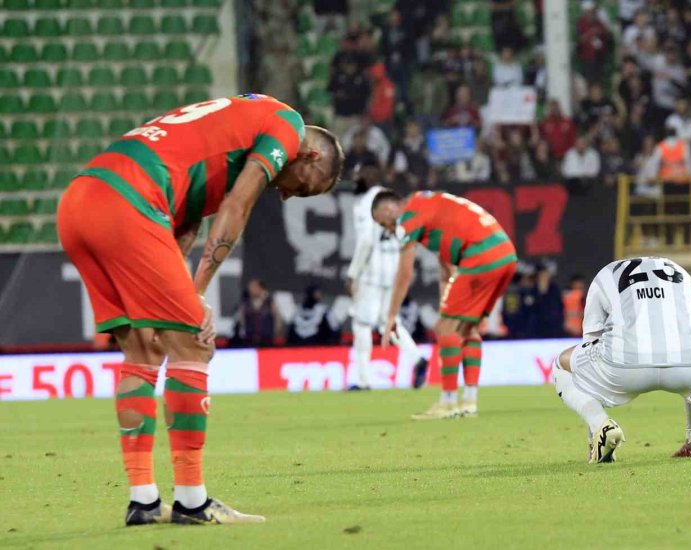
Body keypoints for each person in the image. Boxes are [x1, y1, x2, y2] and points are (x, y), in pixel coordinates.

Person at [56, 94, 344, 525]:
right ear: (310, 155)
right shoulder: (287, 124)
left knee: (144, 349)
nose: (288, 196)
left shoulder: (228, 132)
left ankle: (143, 501)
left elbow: (185, 223)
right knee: (194, 346)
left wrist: (179, 298)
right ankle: (193, 502)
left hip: (81, 201)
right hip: (133, 200)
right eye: (303, 187)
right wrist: (198, 294)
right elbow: (237, 206)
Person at [551, 257, 691, 463]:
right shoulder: (680, 272)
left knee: (562, 364)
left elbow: (591, 341)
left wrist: (591, 438)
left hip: (623, 369)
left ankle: (601, 427)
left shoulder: (606, 274)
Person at [372, 190, 517, 419]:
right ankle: (469, 401)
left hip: (480, 255)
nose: (387, 230)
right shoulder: (426, 202)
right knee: (467, 329)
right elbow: (447, 261)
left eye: (383, 223)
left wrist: (391, 315)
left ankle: (447, 403)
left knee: (445, 328)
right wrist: (447, 300)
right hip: (505, 254)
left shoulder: (407, 219)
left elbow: (404, 274)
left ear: (388, 210)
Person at [346, 183, 429, 391]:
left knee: (362, 324)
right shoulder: (401, 213)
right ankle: (417, 358)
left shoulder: (370, 207)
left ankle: (363, 381)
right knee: (388, 323)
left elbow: (365, 243)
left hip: (372, 277)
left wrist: (353, 275)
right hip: (393, 276)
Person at [231, 278, 284, 347]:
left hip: (267, 340)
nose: (251, 289)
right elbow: (241, 321)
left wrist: (275, 333)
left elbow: (278, 319)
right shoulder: (245, 303)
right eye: (250, 287)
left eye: (254, 287)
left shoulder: (269, 302)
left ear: (261, 288)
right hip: (250, 340)